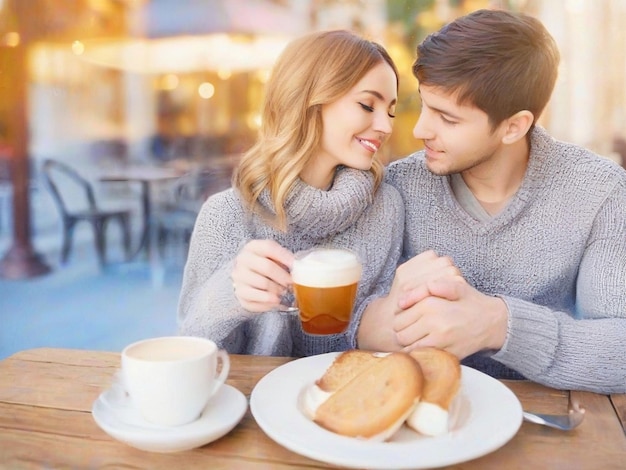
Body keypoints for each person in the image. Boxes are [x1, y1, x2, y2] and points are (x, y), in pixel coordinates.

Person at [357, 9, 626, 394]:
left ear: (514, 126)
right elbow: (333, 332)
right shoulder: (398, 185)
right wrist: (372, 321)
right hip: (418, 421)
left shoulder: (601, 192)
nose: (419, 130)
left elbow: (620, 350)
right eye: (425, 104)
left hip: (549, 430)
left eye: (447, 119)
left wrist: (499, 324)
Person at [177, 30, 404, 356]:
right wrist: (231, 293)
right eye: (368, 105)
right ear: (309, 100)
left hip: (347, 398)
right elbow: (190, 346)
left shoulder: (385, 208)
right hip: (253, 401)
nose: (386, 125)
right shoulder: (225, 215)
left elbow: (380, 343)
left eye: (391, 110)